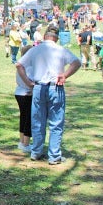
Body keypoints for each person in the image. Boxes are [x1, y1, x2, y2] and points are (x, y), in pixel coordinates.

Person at [16, 25, 81, 165]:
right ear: (56, 38)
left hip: (39, 87)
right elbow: (76, 62)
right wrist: (64, 75)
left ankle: (36, 152)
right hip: (55, 87)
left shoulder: (35, 49)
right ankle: (54, 155)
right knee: (56, 122)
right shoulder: (60, 49)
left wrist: (28, 82)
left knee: (37, 121)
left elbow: (19, 65)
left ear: (45, 36)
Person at [15, 45, 33, 153]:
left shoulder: (21, 63)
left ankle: (22, 141)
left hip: (19, 92)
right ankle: (26, 143)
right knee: (28, 119)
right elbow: (29, 80)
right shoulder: (28, 65)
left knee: (23, 117)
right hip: (26, 94)